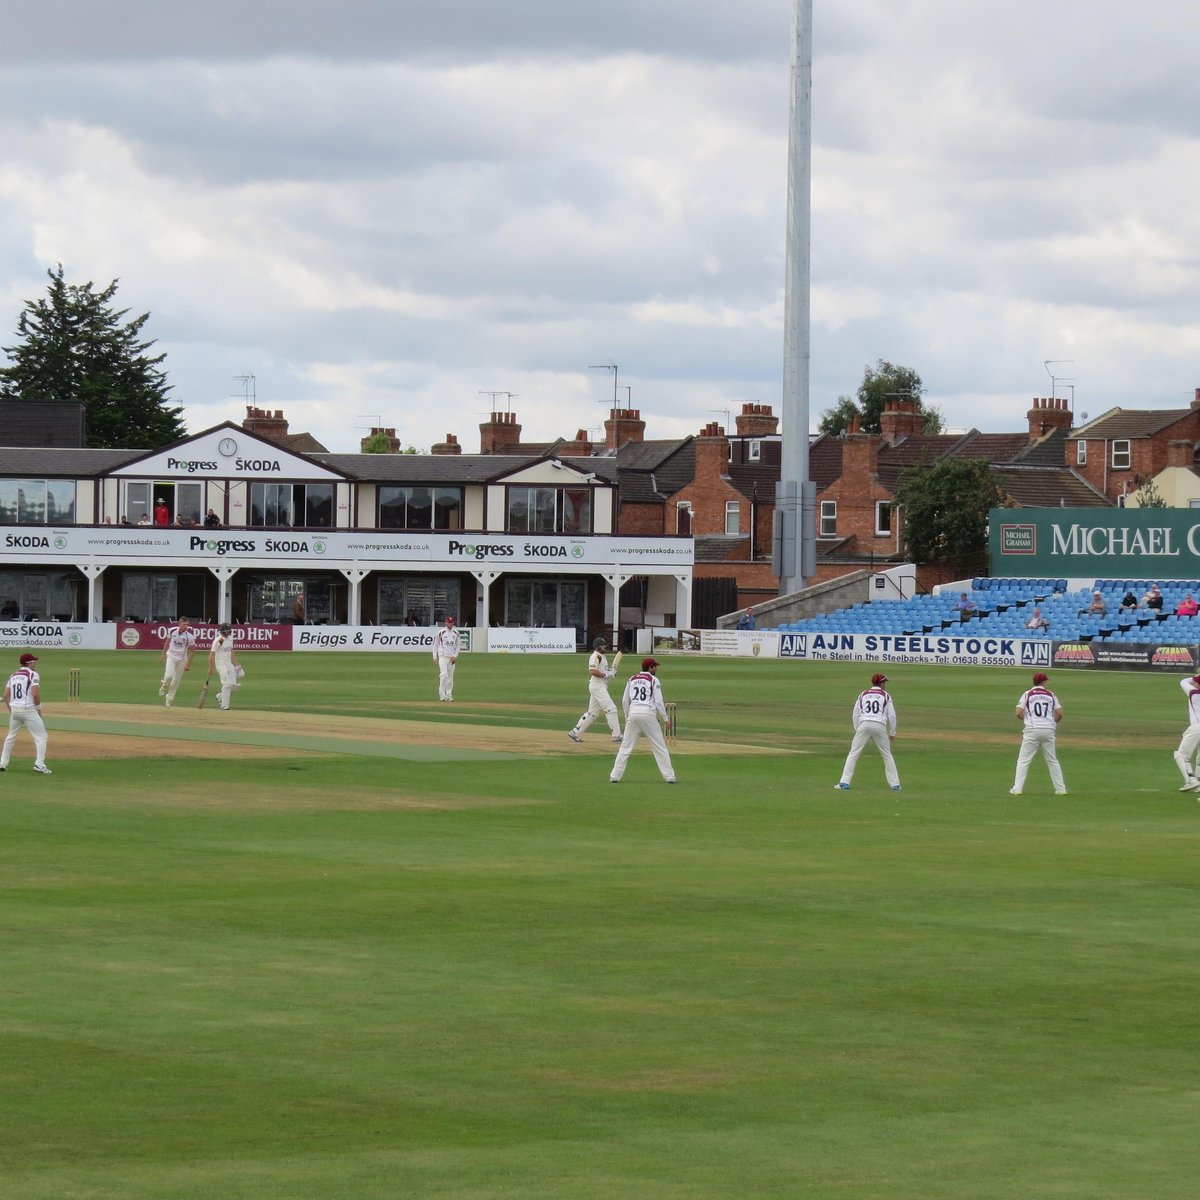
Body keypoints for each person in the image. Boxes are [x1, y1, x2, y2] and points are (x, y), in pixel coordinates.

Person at [609, 657, 676, 783]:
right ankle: (670, 777)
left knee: (625, 747)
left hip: (633, 714)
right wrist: (666, 718)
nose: (656, 668)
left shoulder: (632, 679)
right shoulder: (653, 679)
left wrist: (627, 716)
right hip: (648, 714)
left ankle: (614, 776)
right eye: (655, 666)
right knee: (660, 747)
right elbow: (659, 702)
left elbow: (624, 700)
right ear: (650, 667)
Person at [835, 672, 900, 791]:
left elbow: (856, 713)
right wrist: (892, 732)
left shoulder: (863, 694)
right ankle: (895, 784)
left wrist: (857, 729)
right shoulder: (885, 695)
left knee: (853, 754)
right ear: (881, 683)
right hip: (879, 725)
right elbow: (892, 715)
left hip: (864, 724)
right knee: (887, 755)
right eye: (884, 682)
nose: (885, 685)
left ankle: (844, 782)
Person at [1010, 671, 1067, 796]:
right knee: (1052, 760)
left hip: (1032, 729)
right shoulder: (1051, 695)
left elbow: (1018, 712)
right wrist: (1053, 723)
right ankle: (1061, 790)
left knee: (1023, 760)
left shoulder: (1027, 694)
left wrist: (1026, 719)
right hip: (1048, 730)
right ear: (1044, 681)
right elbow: (1060, 713)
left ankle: (1017, 789)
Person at [1, 652, 51, 774]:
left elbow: (6, 695)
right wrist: (38, 708)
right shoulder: (33, 675)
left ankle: (2, 763)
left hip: (15, 710)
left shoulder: (13, 675)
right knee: (41, 736)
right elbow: (35, 694)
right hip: (28, 710)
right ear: (28, 663)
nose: (35, 664)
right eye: (33, 662)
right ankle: (39, 764)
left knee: (11, 737)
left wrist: (12, 710)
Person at [567, 637, 622, 744]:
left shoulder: (602, 656)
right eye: (603, 645)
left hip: (599, 686)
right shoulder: (595, 656)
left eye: (605, 644)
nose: (605, 646)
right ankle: (617, 736)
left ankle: (575, 733)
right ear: (597, 646)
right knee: (611, 709)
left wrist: (611, 672)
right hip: (597, 686)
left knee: (593, 713)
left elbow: (603, 671)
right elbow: (593, 671)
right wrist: (607, 674)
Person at [158, 615, 197, 707]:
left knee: (176, 680)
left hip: (182, 659)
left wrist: (188, 664)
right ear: (179, 624)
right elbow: (167, 642)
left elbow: (192, 651)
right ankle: (164, 686)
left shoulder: (189, 636)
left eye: (187, 625)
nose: (186, 627)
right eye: (184, 624)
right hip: (171, 656)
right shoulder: (172, 631)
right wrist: (163, 654)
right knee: (169, 676)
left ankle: (170, 698)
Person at [1172, 674, 1200, 792]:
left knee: (1181, 755)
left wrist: (1194, 677)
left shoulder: (1193, 692)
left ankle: (1190, 780)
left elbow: (1183, 681)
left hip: (1196, 728)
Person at [208, 623, 242, 711]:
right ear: (222, 631)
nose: (228, 631)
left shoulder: (230, 639)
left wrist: (237, 665)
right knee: (227, 684)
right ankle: (224, 706)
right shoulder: (219, 640)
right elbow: (211, 654)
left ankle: (220, 696)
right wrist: (211, 668)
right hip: (220, 663)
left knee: (234, 685)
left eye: (228, 630)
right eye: (226, 630)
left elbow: (231, 652)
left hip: (228, 663)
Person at [432, 615, 461, 702]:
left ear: (453, 623)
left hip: (451, 658)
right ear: (446, 622)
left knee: (450, 677)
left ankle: (449, 695)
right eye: (449, 622)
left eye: (451, 622)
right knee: (443, 675)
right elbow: (435, 645)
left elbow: (458, 645)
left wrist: (455, 656)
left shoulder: (456, 633)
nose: (450, 624)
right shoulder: (441, 632)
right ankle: (442, 695)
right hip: (443, 657)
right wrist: (434, 657)